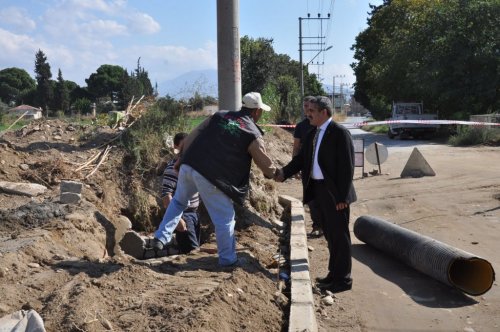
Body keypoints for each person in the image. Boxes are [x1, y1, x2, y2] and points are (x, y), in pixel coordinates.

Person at [152, 92, 278, 266]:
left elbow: (192, 136)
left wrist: (181, 158)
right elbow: (262, 161)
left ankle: (161, 236)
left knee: (179, 201)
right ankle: (228, 259)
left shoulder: (219, 115)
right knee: (224, 218)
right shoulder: (252, 132)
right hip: (211, 175)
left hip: (190, 164)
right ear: (257, 111)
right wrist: (276, 174)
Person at [275, 96, 357, 293]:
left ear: (324, 112)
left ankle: (343, 280)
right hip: (318, 191)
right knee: (329, 235)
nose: (307, 113)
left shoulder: (339, 133)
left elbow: (347, 168)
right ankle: (333, 274)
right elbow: (301, 160)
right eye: (308, 109)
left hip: (335, 194)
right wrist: (283, 173)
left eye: (312, 110)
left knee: (339, 237)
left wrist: (342, 198)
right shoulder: (313, 133)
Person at [160, 132, 200, 254]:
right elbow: (166, 197)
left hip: (194, 215)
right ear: (176, 148)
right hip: (184, 216)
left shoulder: (190, 166)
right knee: (191, 253)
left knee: (195, 250)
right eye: (184, 146)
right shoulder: (173, 169)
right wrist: (178, 220)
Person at [293, 95, 323, 238]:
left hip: (322, 168)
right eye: (305, 107)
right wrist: (295, 168)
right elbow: (296, 147)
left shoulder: (322, 125)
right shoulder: (301, 127)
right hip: (306, 167)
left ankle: (326, 224)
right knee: (311, 198)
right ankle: (317, 225)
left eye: (310, 108)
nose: (308, 111)